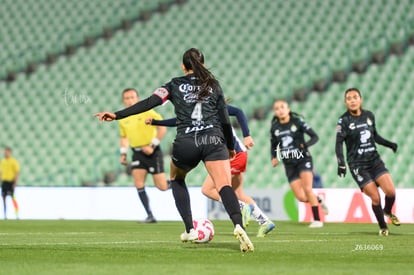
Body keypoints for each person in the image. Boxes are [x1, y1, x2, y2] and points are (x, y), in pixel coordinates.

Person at [94, 48, 254, 252]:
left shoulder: (173, 84)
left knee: (177, 179)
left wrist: (117, 115)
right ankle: (238, 225)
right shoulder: (214, 85)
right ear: (203, 65)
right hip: (213, 139)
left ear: (182, 67)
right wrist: (230, 146)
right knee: (224, 186)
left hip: (186, 140)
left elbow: (148, 103)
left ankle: (190, 229)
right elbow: (224, 117)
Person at [147, 104, 275, 237]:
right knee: (237, 192)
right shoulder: (203, 111)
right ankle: (264, 221)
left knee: (207, 189)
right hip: (240, 154)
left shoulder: (213, 107)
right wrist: (156, 122)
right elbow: (180, 120)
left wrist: (247, 135)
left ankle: (242, 207)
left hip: (233, 155)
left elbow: (238, 111)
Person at [335, 88, 400, 236]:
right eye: (349, 98)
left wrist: (389, 144)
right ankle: (383, 227)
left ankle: (387, 211)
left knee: (390, 192)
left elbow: (375, 136)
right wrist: (341, 163)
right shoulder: (343, 120)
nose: (352, 100)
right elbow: (338, 143)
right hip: (357, 165)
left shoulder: (369, 116)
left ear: (360, 99)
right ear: (345, 102)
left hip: (374, 160)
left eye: (355, 97)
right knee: (375, 197)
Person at [270, 99, 328, 228]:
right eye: (277, 108)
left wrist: (305, 145)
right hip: (289, 164)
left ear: (288, 109)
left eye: (282, 107)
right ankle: (318, 200)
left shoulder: (297, 122)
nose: (280, 110)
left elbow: (315, 136)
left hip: (303, 160)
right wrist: (273, 156)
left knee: (308, 189)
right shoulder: (275, 128)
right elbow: (273, 144)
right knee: (301, 197)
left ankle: (317, 220)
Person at [118, 88, 170, 223]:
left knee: (162, 187)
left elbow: (162, 127)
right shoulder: (123, 118)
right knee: (138, 183)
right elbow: (124, 137)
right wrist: (123, 153)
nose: (130, 100)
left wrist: (152, 145)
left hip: (153, 153)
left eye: (132, 97)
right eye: (127, 98)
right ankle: (150, 215)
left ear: (137, 98)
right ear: (123, 100)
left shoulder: (147, 111)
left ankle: (177, 183)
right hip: (137, 153)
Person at [1, 147, 20, 219]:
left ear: (10, 153)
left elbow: (17, 172)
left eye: (6, 152)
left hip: (11, 182)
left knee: (13, 198)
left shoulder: (13, 161)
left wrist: (15, 182)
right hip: (4, 182)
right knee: (3, 199)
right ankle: (5, 215)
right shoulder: (2, 161)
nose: (5, 153)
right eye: (4, 152)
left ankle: (17, 214)